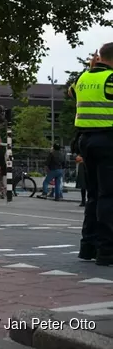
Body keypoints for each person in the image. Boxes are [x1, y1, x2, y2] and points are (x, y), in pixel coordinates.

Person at [71, 44, 113, 266]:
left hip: (85, 140)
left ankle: (88, 246)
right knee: (109, 195)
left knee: (93, 195)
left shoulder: (82, 78)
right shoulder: (111, 79)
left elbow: (71, 93)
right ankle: (107, 251)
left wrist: (90, 67)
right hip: (107, 139)